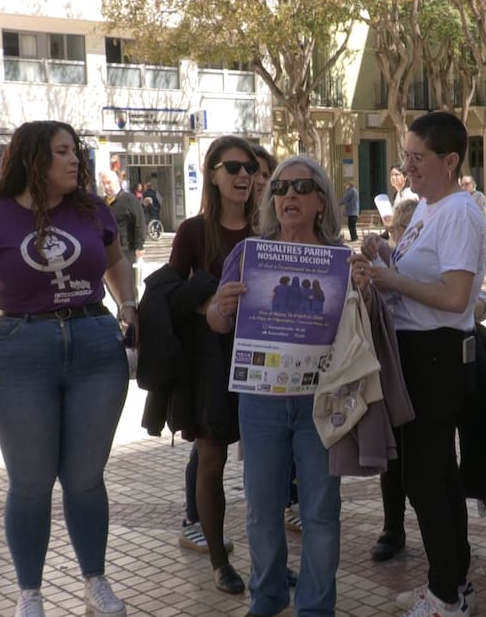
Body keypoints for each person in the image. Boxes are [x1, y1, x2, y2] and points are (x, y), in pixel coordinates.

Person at [0, 121, 136, 617]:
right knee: (30, 481)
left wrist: (128, 303)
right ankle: (29, 593)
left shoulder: (92, 209)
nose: (74, 160)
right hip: (18, 352)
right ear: (34, 159)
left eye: (74, 151)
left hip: (95, 347)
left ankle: (95, 581)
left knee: (85, 479)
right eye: (62, 152)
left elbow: (116, 263)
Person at [209, 155, 356, 617]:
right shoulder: (249, 255)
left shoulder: (341, 261)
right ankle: (267, 597)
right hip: (262, 402)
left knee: (320, 512)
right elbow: (216, 322)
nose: (289, 194)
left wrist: (365, 290)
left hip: (322, 400)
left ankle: (316, 607)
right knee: (261, 510)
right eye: (279, 188)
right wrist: (222, 306)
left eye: (300, 187)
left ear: (320, 202)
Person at [356, 111, 486, 617]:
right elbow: (426, 274)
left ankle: (445, 596)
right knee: (437, 476)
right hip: (420, 354)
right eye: (405, 155)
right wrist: (385, 253)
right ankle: (451, 583)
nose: (406, 166)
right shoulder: (431, 208)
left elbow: (455, 297)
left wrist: (391, 281)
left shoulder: (457, 211)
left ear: (449, 161)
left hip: (436, 356)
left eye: (417, 157)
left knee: (425, 478)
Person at [163, 135, 260, 594]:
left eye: (252, 169)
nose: (245, 176)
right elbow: (168, 294)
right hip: (210, 360)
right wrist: (209, 306)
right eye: (234, 167)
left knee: (269, 463)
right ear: (214, 175)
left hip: (266, 357)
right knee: (211, 460)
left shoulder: (269, 226)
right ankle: (220, 562)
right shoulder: (193, 232)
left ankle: (270, 560)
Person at [368, 196, 420, 564]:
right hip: (391, 366)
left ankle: (440, 532)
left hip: (425, 367)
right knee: (393, 453)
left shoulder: (422, 266)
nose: (402, 239)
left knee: (427, 457)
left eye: (411, 233)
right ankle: (392, 526)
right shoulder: (385, 261)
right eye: (401, 231)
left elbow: (478, 304)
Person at [99, 170, 146, 297]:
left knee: (126, 282)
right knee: (109, 281)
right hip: (107, 248)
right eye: (104, 184)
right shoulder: (102, 203)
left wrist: (139, 246)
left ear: (117, 181)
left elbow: (139, 222)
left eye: (108, 183)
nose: (106, 186)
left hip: (126, 247)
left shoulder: (129, 199)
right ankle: (121, 309)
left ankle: (132, 308)